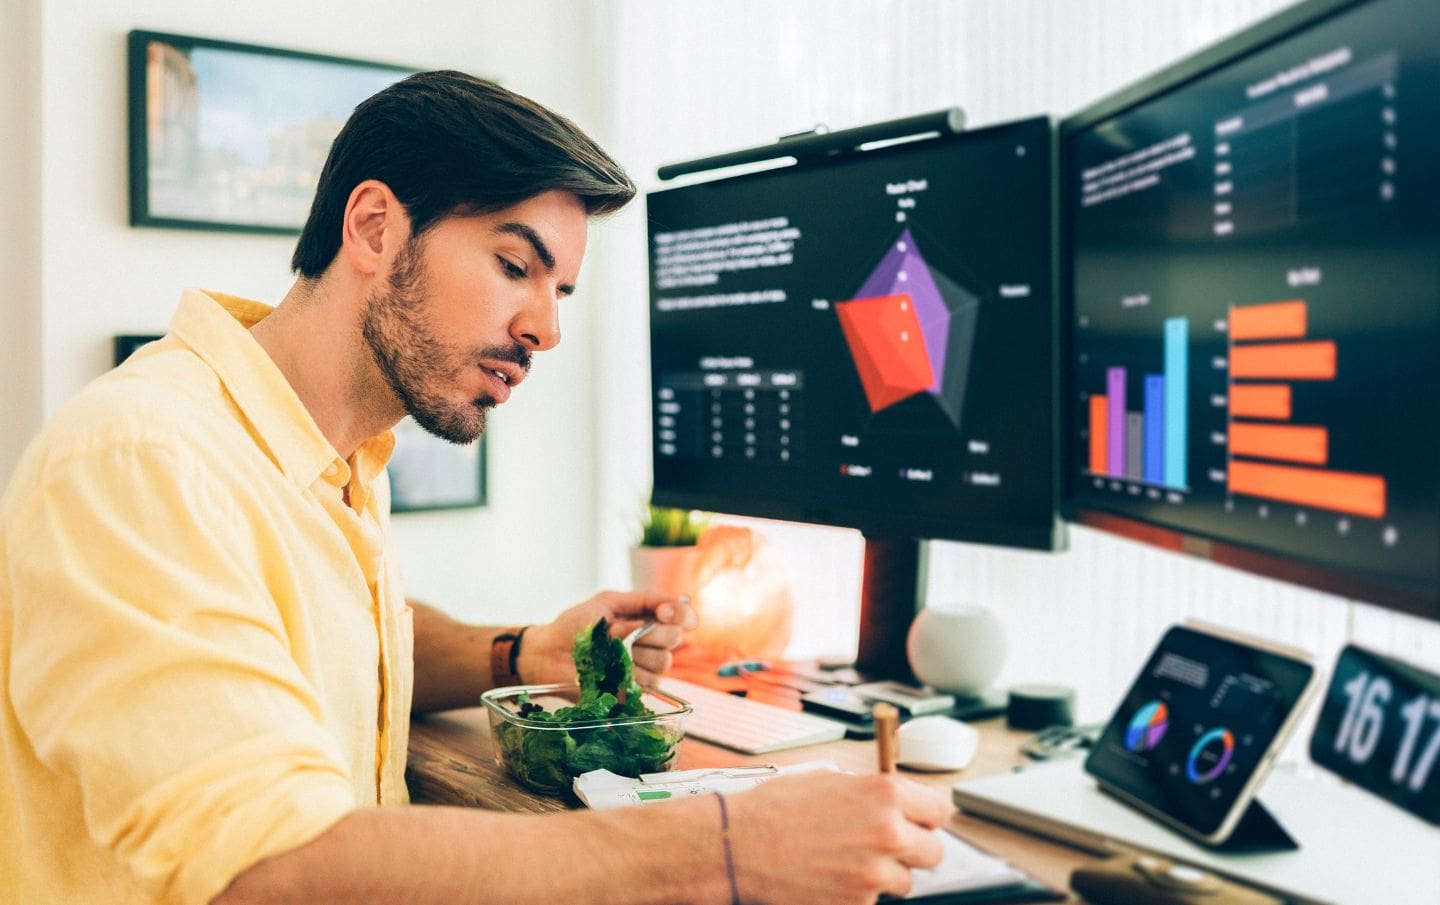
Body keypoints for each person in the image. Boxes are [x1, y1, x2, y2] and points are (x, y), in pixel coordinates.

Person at [0, 70, 951, 905]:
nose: (544, 329)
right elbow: (263, 869)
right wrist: (733, 849)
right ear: (374, 227)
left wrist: (523, 651)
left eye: (560, 292)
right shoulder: (142, 461)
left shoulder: (315, 455)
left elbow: (306, 630)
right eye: (513, 266)